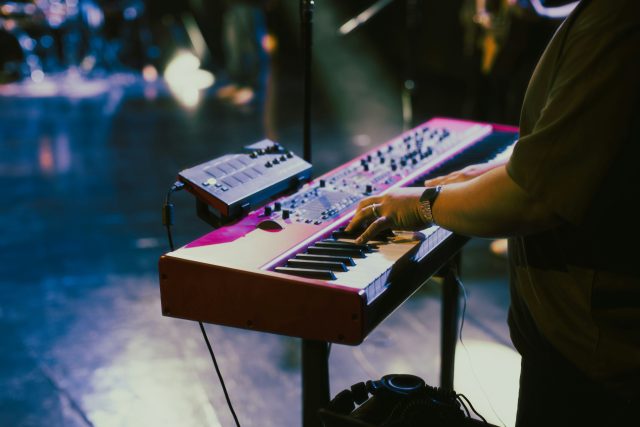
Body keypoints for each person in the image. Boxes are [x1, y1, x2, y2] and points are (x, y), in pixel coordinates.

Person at [345, 0, 639, 425]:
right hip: (585, 351)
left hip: (596, 365)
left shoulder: (617, 17)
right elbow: (588, 146)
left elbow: (532, 197)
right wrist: (495, 171)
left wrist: (424, 205)